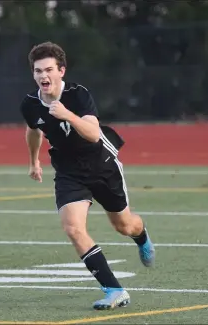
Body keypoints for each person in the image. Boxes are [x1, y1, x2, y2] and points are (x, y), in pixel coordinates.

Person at [20, 42, 155, 310]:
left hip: (101, 164)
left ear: (61, 71)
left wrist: (66, 114)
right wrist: (34, 160)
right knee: (72, 227)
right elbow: (33, 130)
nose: (43, 76)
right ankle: (114, 289)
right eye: (37, 71)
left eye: (48, 70)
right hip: (69, 171)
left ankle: (141, 237)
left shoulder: (78, 95)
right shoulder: (30, 104)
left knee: (124, 225)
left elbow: (94, 134)